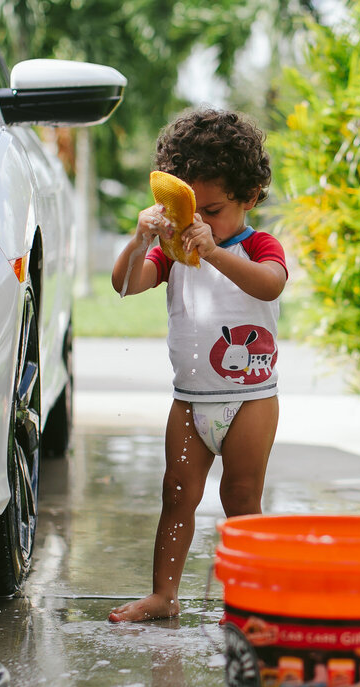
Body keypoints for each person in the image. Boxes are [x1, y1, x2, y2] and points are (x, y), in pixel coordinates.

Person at [108, 108, 287, 622]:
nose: (200, 225)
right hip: (190, 402)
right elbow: (126, 285)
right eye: (190, 214)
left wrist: (214, 252)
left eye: (212, 211)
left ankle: (254, 598)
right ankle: (164, 595)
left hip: (250, 400)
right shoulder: (171, 251)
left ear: (249, 198)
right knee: (176, 495)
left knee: (241, 496)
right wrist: (142, 239)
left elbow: (269, 283)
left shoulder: (257, 246)